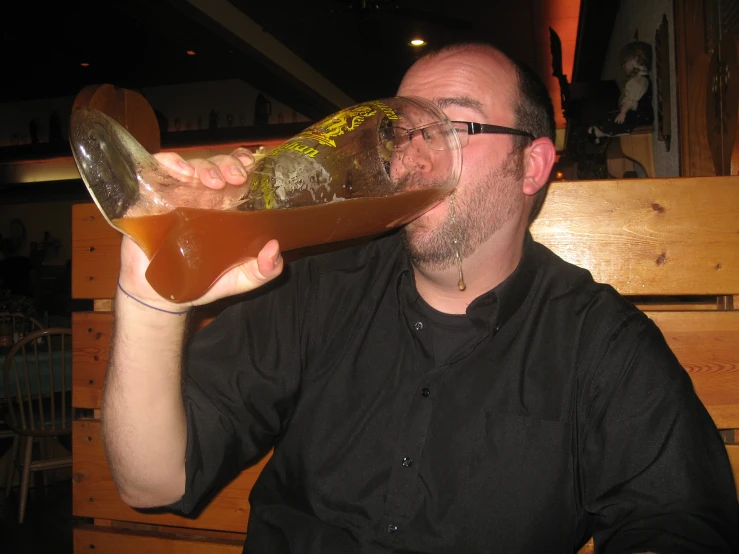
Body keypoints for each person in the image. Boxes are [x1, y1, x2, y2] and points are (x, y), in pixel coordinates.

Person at [102, 43, 738, 553]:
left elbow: (678, 522)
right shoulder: (315, 285)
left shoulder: (601, 346)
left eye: (452, 126)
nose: (412, 156)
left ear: (532, 165)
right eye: (402, 133)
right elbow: (151, 480)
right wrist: (151, 291)